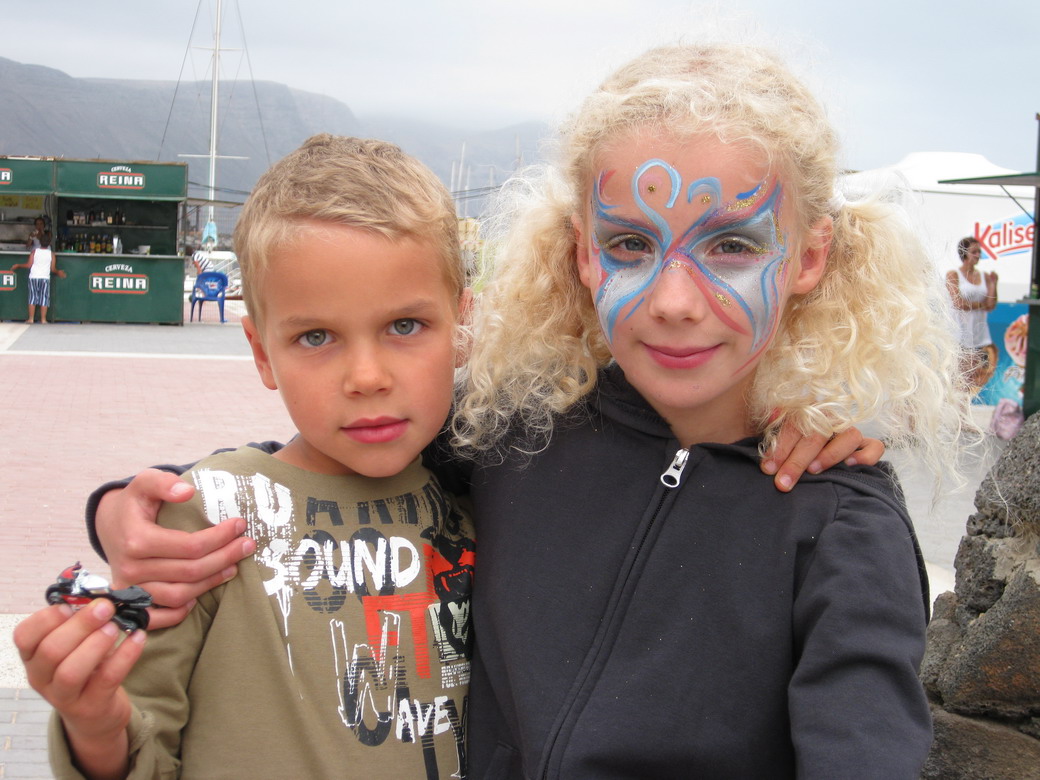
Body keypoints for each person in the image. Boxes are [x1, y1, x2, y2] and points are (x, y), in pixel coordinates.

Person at [77, 42, 957, 778]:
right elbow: (333, 453)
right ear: (580, 254)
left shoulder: (838, 518)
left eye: (731, 246)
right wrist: (124, 505)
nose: (676, 300)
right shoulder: (518, 432)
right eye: (630, 244)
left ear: (808, 257)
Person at [14, 135, 475, 779]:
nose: (367, 376)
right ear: (261, 353)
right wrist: (93, 722)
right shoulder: (206, 520)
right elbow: (142, 745)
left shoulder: (487, 503)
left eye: (405, 326)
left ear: (462, 325)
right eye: (316, 336)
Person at [946, 235, 998, 393]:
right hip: (959, 333)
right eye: (974, 252)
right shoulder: (953, 275)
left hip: (978, 333)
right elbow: (958, 303)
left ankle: (963, 414)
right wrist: (981, 304)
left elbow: (991, 304)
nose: (978, 255)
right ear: (964, 254)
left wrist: (993, 284)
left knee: (971, 379)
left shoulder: (984, 277)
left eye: (979, 251)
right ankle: (957, 412)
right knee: (958, 377)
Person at [12, 233, 65, 323]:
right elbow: (53, 269)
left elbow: (28, 265)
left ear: (40, 242)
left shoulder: (34, 252)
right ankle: (43, 319)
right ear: (49, 243)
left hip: (34, 277)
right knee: (44, 298)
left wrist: (18, 265)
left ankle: (31, 319)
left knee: (32, 298)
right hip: (45, 278)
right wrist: (58, 272)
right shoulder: (51, 254)